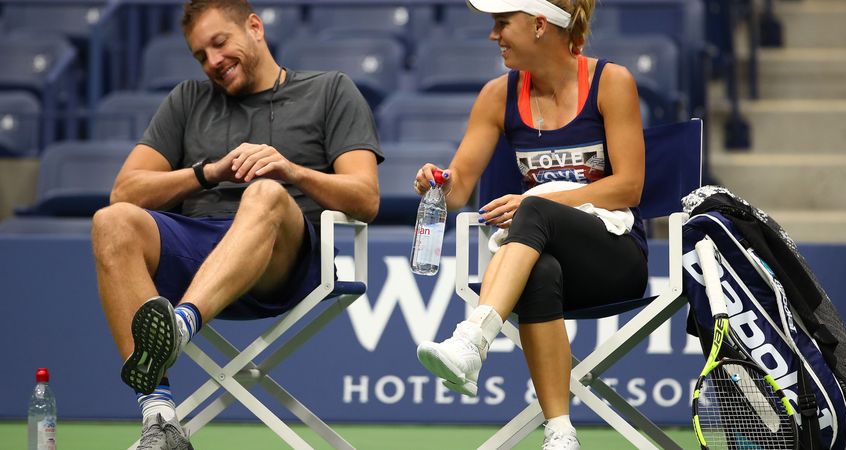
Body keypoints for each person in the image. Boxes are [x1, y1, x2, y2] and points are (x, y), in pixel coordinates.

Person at [90, 1, 382, 448]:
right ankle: (160, 420)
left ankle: (178, 329)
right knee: (112, 221)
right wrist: (208, 172)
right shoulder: (188, 100)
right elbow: (123, 191)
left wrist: (292, 171)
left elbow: (366, 198)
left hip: (284, 261)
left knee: (263, 192)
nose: (212, 62)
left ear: (254, 27)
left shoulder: (330, 90)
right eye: (200, 55)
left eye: (219, 43)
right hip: (200, 255)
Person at [414, 0, 647, 448]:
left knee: (535, 207)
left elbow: (629, 188)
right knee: (539, 271)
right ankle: (561, 433)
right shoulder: (497, 96)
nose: (493, 35)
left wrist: (539, 198)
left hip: (615, 257)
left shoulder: (610, 83)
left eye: (503, 23)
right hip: (546, 261)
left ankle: (471, 341)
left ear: (539, 25)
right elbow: (459, 188)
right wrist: (437, 182)